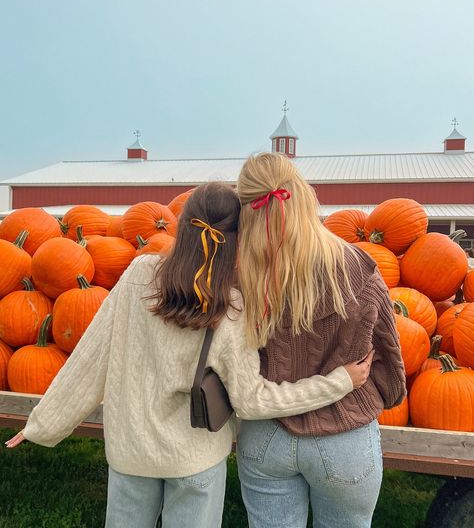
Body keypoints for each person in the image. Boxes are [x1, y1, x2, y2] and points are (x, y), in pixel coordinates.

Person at [5, 182, 373, 528]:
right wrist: (338, 382)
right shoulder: (232, 306)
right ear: (237, 241)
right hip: (196, 461)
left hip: (131, 453)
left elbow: (90, 358)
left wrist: (43, 423)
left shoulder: (138, 273)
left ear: (181, 227)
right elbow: (252, 401)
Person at [235, 154, 406, 528]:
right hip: (345, 437)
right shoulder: (358, 268)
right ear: (304, 197)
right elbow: (391, 360)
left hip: (266, 434)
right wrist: (379, 393)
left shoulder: (238, 277)